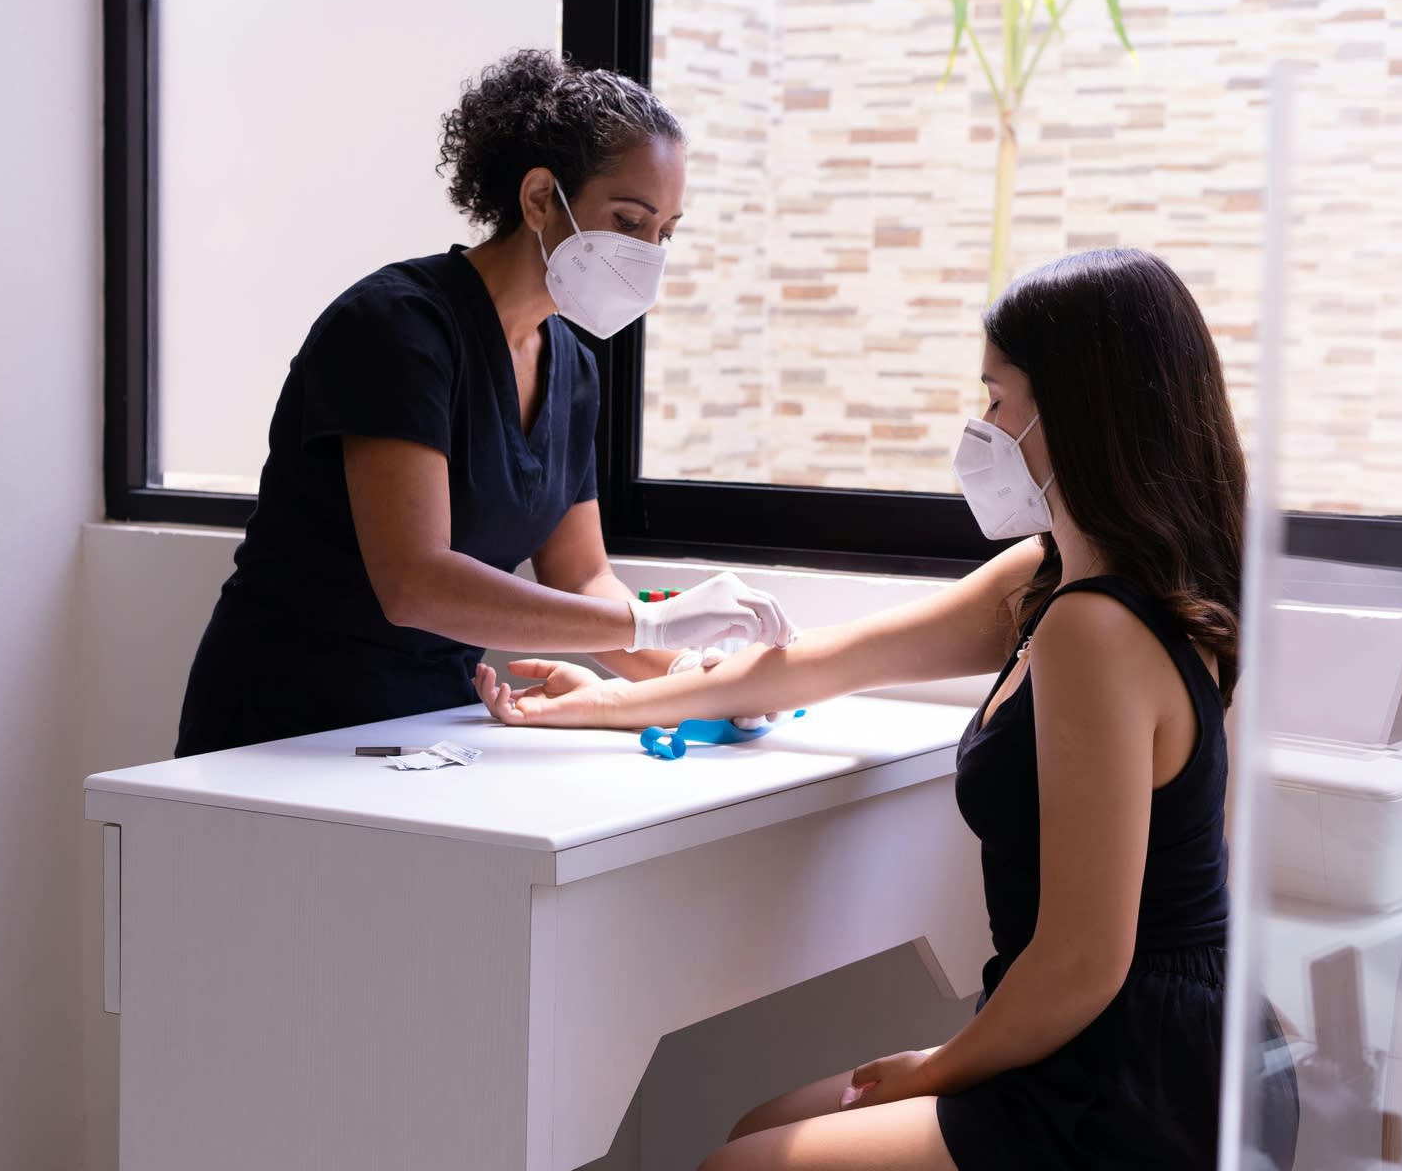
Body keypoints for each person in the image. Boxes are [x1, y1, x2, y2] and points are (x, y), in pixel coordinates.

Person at [472, 248, 1300, 1170]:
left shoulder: (1095, 630)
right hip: (1146, 1036)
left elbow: (1082, 963)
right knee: (755, 1132)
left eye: (997, 397)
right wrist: (607, 702)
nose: (983, 425)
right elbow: (811, 666)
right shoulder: (1060, 576)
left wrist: (938, 1066)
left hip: (1128, 1076)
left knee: (734, 1166)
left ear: (1074, 411)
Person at [174, 49, 794, 758]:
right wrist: (654, 625)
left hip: (428, 722)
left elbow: (581, 574)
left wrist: (699, 677)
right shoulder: (398, 328)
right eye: (628, 221)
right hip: (287, 721)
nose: (649, 254)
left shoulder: (573, 369)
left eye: (665, 233)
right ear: (538, 199)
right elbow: (416, 582)